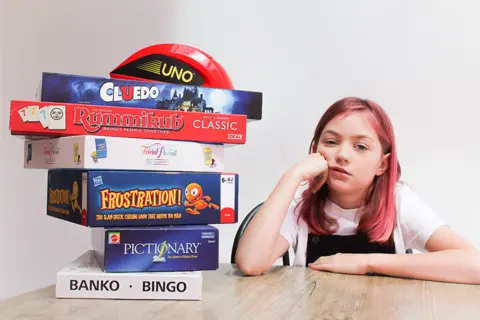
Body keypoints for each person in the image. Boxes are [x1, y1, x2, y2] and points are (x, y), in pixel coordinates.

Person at [235, 97, 480, 284]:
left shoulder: (398, 201)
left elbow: (474, 264)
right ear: (314, 150)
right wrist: (292, 177)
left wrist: (366, 262)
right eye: (331, 142)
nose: (342, 155)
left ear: (382, 164)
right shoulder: (301, 203)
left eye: (360, 147)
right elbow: (250, 263)